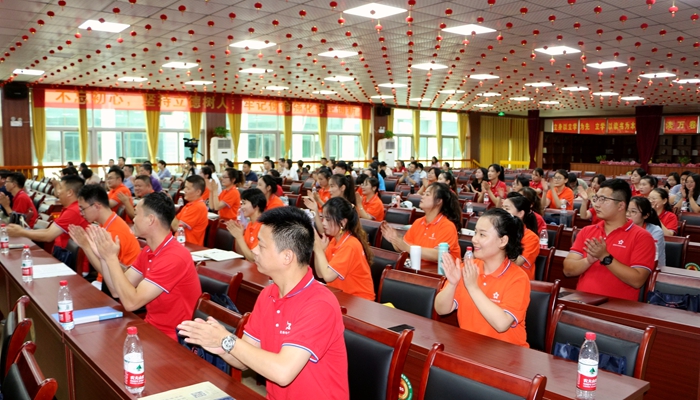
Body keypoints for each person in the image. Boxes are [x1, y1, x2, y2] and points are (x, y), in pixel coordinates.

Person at [178, 207, 349, 400]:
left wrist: (226, 340)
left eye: (261, 245)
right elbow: (243, 360)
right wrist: (218, 344)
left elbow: (282, 372)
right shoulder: (268, 294)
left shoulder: (320, 304)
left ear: (287, 256)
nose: (253, 250)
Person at [84, 192, 201, 340]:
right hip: (152, 328)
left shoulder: (174, 257)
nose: (133, 218)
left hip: (175, 338)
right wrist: (103, 258)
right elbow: (116, 290)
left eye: (137, 213)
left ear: (151, 220)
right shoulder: (148, 250)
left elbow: (131, 303)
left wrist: (111, 258)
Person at [434, 208, 530, 347]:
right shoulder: (467, 268)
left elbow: (501, 324)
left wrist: (473, 287)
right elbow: (441, 310)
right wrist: (453, 284)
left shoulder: (518, 278)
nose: (474, 239)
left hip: (507, 357)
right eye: (475, 233)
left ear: (502, 241)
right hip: (470, 349)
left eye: (482, 235)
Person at [564, 179, 655, 301]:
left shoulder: (642, 237)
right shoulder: (587, 231)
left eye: (603, 200)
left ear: (621, 205)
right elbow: (567, 270)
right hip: (582, 303)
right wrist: (588, 261)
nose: (596, 204)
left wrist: (605, 257)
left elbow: (637, 280)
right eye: (596, 199)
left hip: (616, 311)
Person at [7, 175, 89, 271]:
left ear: (70, 192)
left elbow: (48, 236)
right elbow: (48, 231)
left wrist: (21, 232)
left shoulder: (74, 211)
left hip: (71, 263)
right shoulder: (70, 208)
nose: (57, 192)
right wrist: (22, 231)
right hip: (63, 256)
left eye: (60, 188)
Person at [69, 184, 141, 284]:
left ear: (96, 206)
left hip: (116, 285)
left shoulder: (115, 232)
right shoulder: (108, 222)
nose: (81, 213)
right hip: (107, 281)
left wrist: (86, 246)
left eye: (82, 209)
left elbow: (108, 271)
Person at [380, 182, 462, 269]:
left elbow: (438, 254)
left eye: (427, 194)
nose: (422, 196)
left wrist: (408, 248)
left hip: (442, 275)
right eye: (423, 194)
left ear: (438, 201)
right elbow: (404, 247)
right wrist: (394, 239)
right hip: (419, 270)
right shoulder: (418, 222)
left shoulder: (447, 226)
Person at [313, 197, 375, 300]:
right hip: (342, 296)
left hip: (360, 301)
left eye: (328, 219)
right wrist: (320, 251)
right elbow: (320, 274)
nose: (323, 223)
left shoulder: (350, 245)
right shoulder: (334, 240)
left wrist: (319, 250)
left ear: (343, 222)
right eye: (322, 218)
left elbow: (328, 276)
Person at [503, 193, 541, 280]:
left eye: (507, 209)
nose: (502, 212)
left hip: (519, 280)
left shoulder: (531, 237)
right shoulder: (499, 231)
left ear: (520, 213)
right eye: (502, 208)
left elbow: (517, 262)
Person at [226, 188, 266, 261]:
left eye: (244, 203)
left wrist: (239, 237)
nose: (241, 207)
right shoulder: (250, 224)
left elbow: (254, 259)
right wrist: (237, 235)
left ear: (256, 205)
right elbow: (241, 254)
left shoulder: (264, 227)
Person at [627, 197, 666, 268]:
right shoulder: (622, 227)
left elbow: (650, 257)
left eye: (633, 211)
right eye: (626, 211)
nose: (628, 214)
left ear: (645, 215)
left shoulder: (655, 231)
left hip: (651, 270)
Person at [171, 175, 209, 245]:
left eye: (188, 189)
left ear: (198, 192)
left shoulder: (198, 207)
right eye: (185, 187)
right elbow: (174, 223)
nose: (184, 190)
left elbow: (176, 227)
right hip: (180, 243)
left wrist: (169, 207)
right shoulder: (189, 205)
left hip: (190, 246)